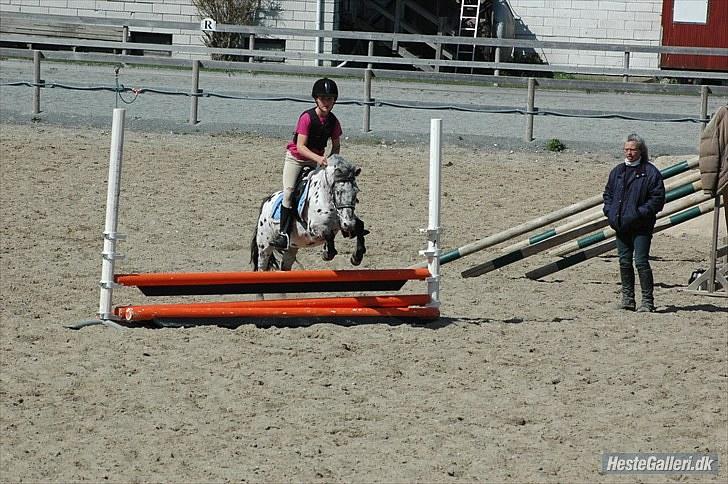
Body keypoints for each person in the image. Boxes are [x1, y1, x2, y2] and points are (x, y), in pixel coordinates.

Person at [270, 77, 343, 249]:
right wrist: (319, 159)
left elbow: (337, 145)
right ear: (316, 99)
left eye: (330, 99)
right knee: (289, 193)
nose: (326, 102)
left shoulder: (333, 121)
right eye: (323, 98)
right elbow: (300, 147)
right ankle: (283, 234)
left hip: (315, 161)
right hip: (296, 159)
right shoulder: (307, 118)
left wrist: (330, 161)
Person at [603, 133, 666, 312]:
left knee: (641, 261)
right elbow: (608, 194)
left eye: (632, 149)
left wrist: (639, 213)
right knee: (624, 261)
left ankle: (647, 301)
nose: (629, 153)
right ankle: (628, 299)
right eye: (626, 149)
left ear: (641, 151)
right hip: (620, 224)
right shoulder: (617, 171)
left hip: (641, 226)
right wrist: (609, 211)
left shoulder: (650, 172)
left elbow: (657, 199)